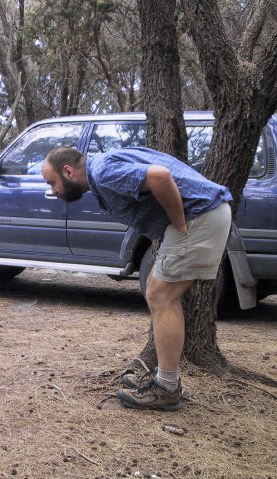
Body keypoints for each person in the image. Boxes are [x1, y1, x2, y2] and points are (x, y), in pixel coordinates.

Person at [42, 146, 232, 411]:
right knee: (160, 293)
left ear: (68, 171)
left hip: (199, 216)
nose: (53, 190)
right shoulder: (103, 166)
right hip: (205, 213)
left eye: (52, 183)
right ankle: (166, 381)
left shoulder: (104, 172)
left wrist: (178, 225)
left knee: (161, 296)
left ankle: (167, 388)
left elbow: (160, 176)